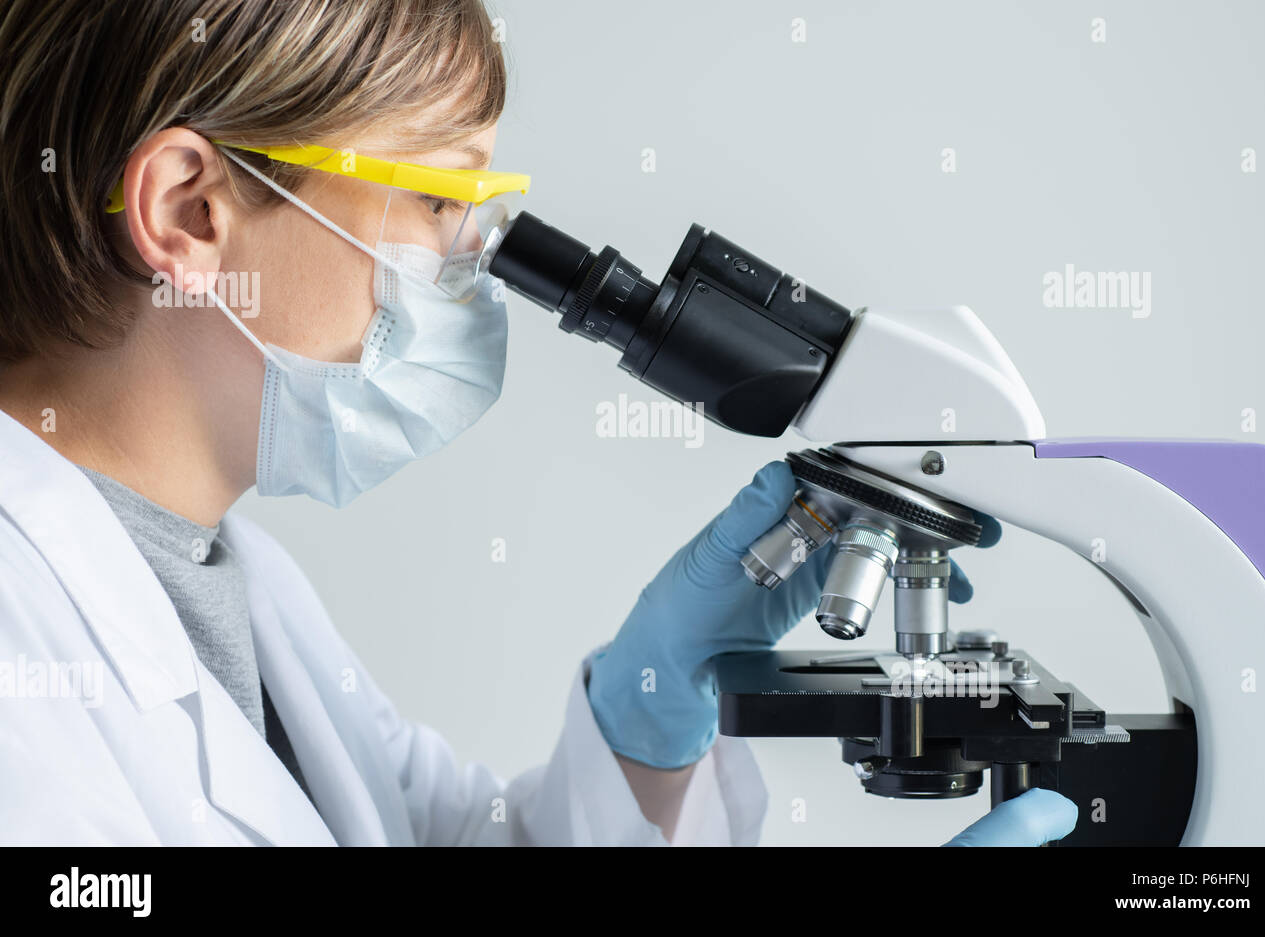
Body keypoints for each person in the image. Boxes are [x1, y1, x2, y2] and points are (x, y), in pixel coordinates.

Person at [0, 0, 1076, 845]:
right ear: (189, 211)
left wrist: (645, 709)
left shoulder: (234, 580)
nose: (475, 259)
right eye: (434, 200)